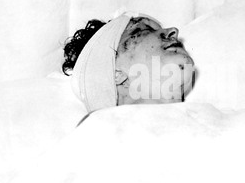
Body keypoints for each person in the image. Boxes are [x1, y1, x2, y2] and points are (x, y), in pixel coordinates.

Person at [63, 13, 195, 113]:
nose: (173, 31)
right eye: (145, 30)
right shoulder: (95, 137)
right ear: (115, 73)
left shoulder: (207, 121)